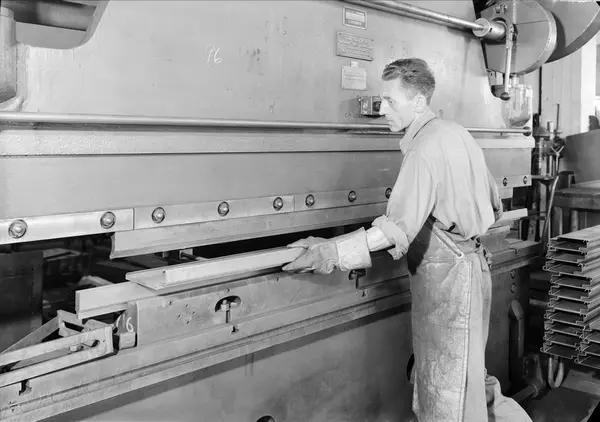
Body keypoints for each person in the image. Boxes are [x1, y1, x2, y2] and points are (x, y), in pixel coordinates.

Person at [282, 58, 532, 421]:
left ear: (418, 102)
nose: (381, 109)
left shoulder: (423, 150)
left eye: (390, 101)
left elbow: (394, 230)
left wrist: (331, 251)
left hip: (450, 284)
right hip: (473, 269)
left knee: (447, 396)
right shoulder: (456, 133)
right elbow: (494, 203)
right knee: (471, 381)